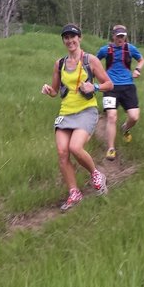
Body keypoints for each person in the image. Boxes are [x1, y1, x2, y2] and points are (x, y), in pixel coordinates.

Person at [41, 24, 113, 211]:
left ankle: (96, 174)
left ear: (79, 38)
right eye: (66, 37)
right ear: (63, 41)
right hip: (66, 112)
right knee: (62, 153)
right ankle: (74, 192)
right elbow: (55, 91)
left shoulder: (91, 60)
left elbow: (109, 84)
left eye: (73, 37)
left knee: (75, 147)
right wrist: (48, 90)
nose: (70, 40)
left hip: (86, 110)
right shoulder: (60, 63)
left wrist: (94, 87)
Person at [94, 25, 144, 161]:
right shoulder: (105, 50)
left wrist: (138, 70)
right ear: (113, 36)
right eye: (118, 36)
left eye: (123, 36)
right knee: (111, 116)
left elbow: (141, 59)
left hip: (128, 86)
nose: (121, 38)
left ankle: (125, 128)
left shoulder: (130, 49)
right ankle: (111, 148)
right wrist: (99, 77)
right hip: (110, 87)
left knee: (134, 117)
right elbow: (94, 62)